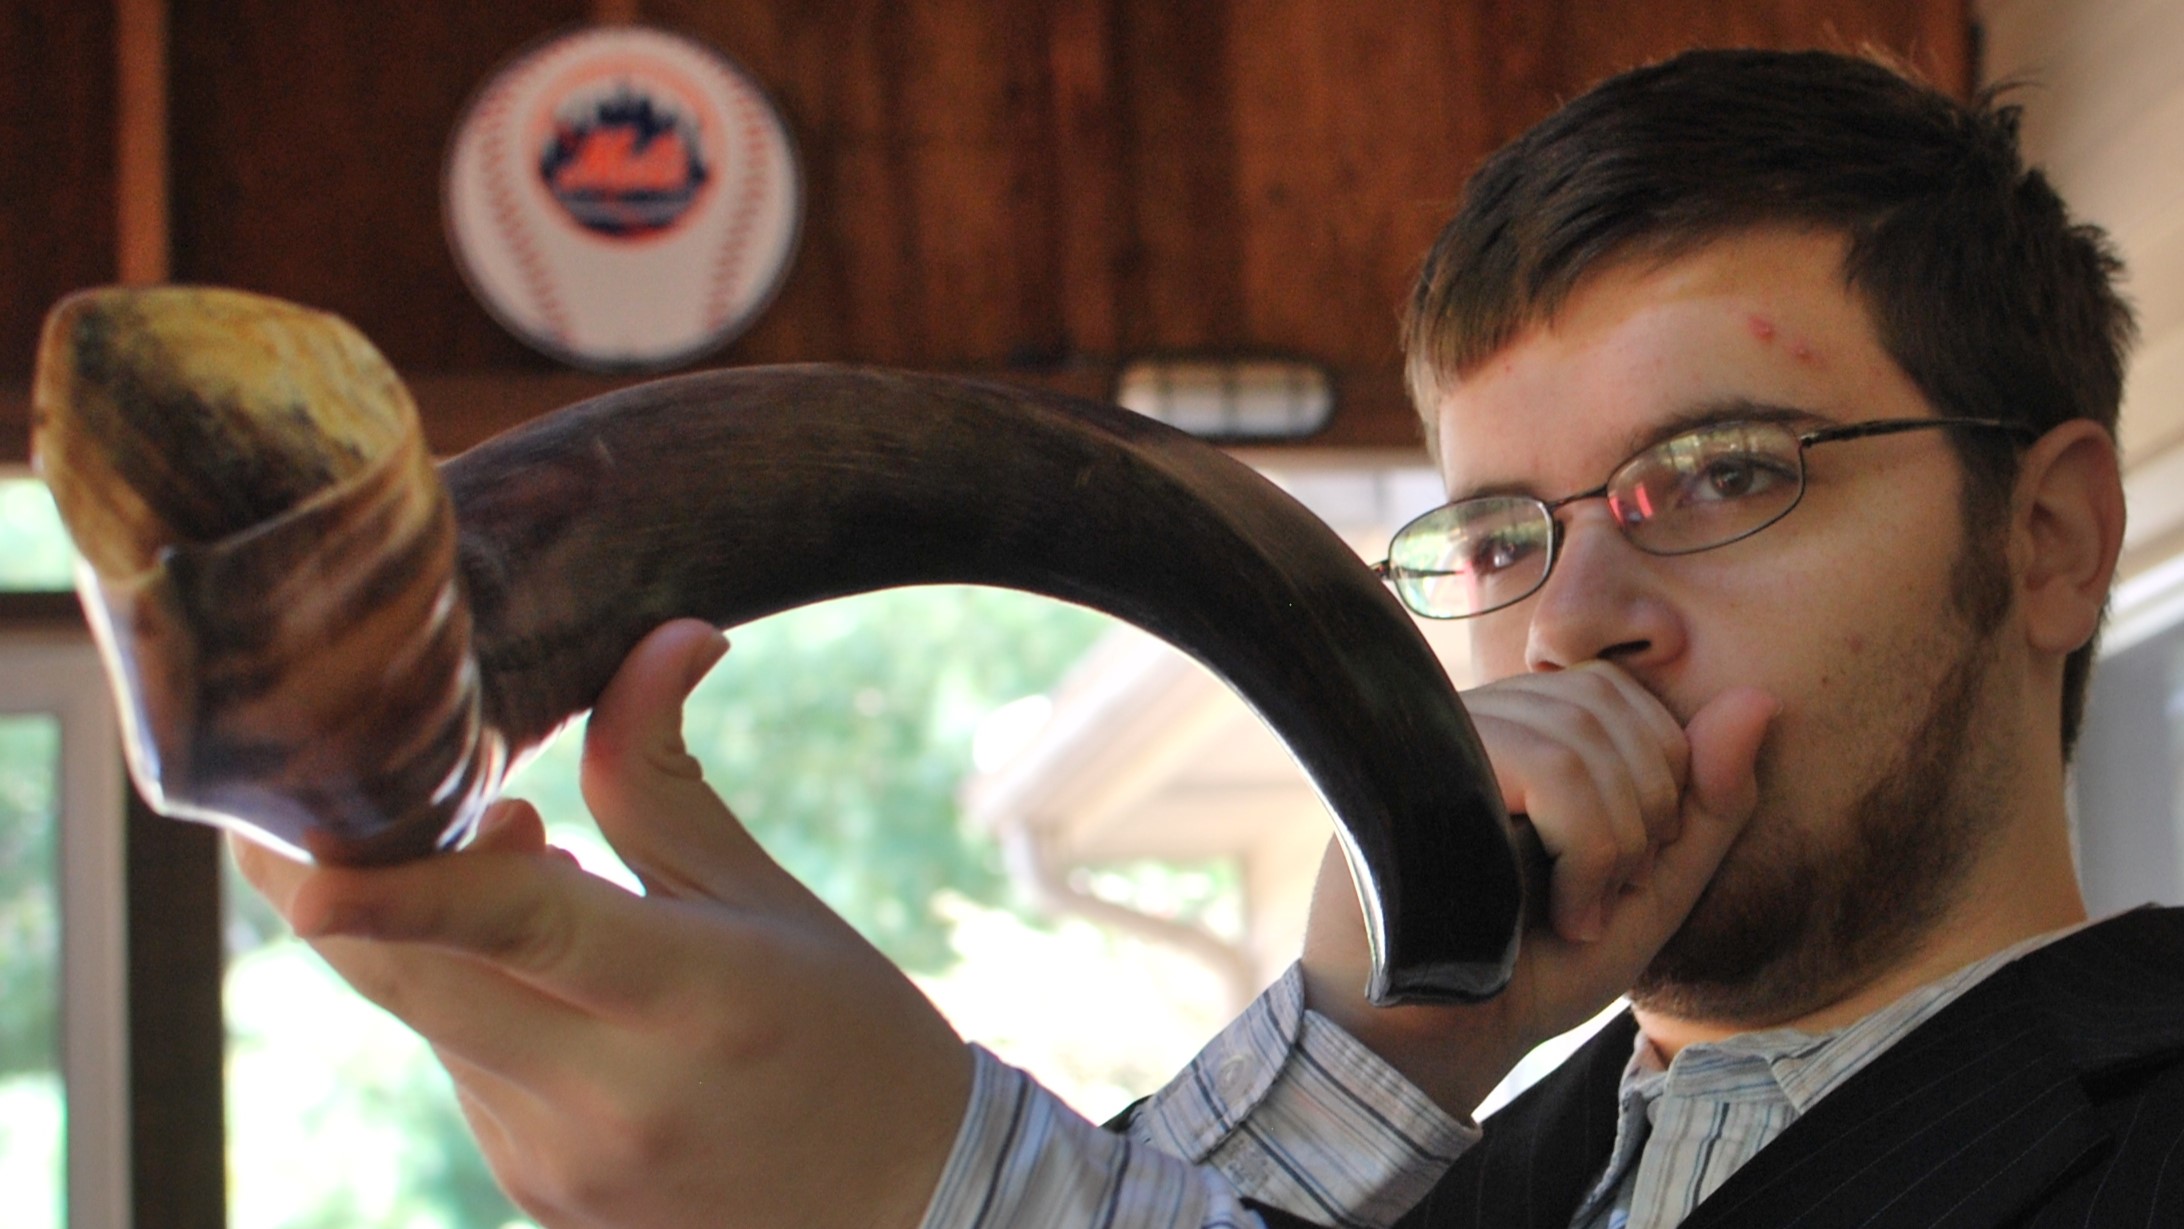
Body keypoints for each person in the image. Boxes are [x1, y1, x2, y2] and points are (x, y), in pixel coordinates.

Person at [234, 46, 2176, 1229]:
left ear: (2056, 538)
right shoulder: (1470, 1169)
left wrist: (934, 1190)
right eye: (1501, 531)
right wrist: (1363, 1052)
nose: (1575, 617)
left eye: (1720, 472)